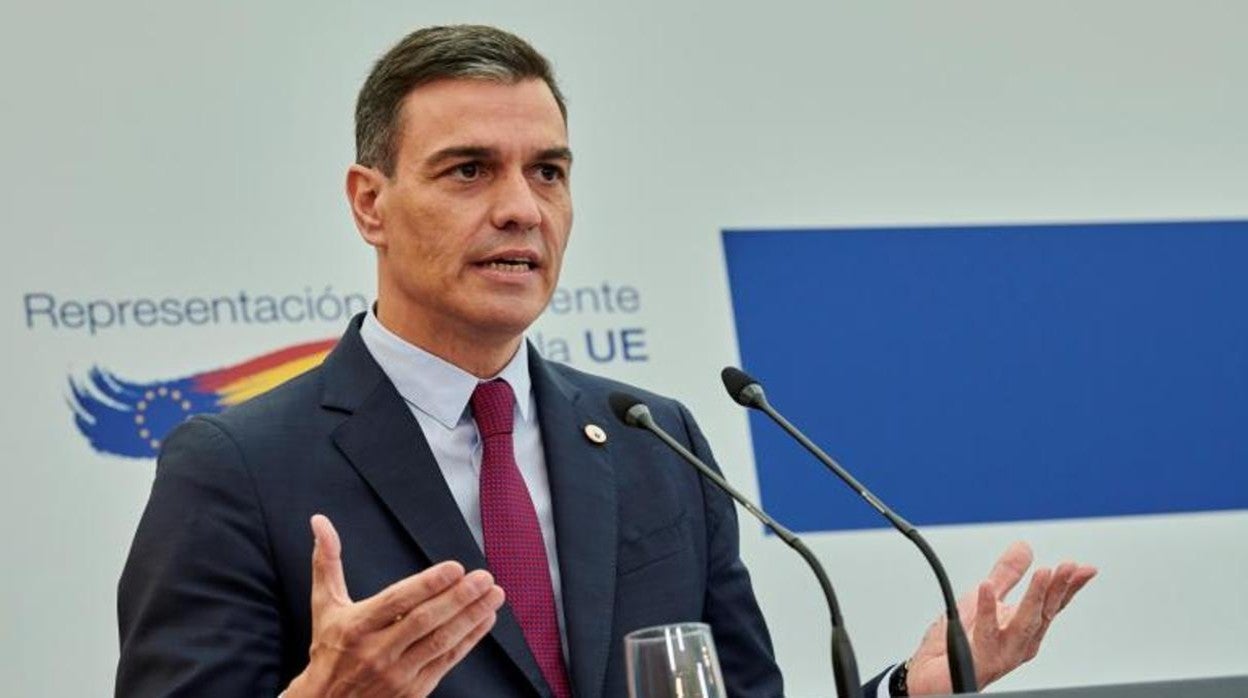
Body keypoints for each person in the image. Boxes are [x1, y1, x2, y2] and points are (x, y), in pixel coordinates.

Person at [116, 24, 1096, 698]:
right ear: (370, 203)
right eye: (469, 170)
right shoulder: (238, 468)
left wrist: (908, 691)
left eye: (548, 171)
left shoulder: (655, 440)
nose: (521, 209)